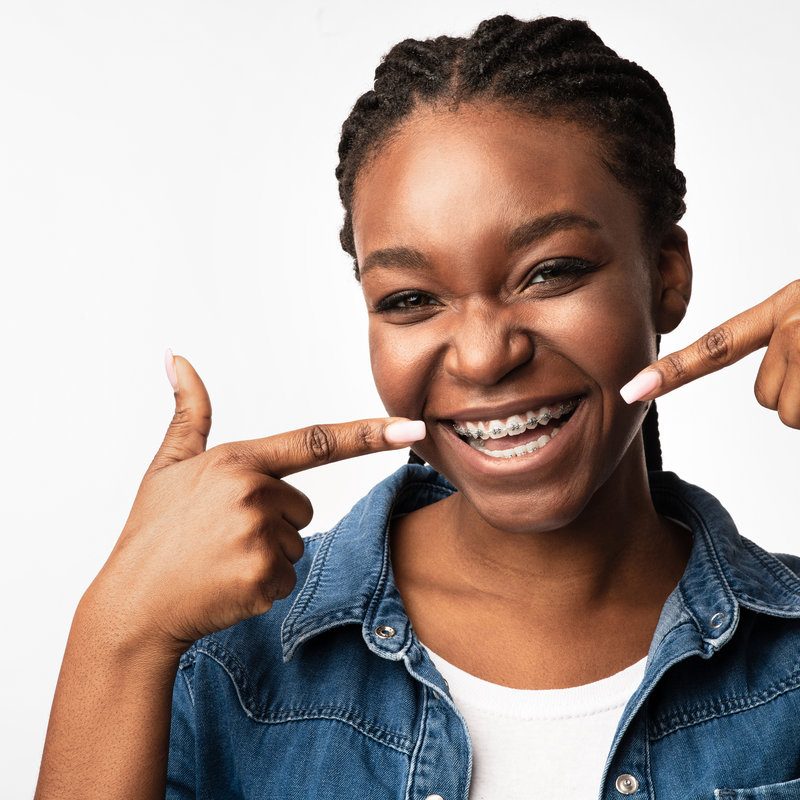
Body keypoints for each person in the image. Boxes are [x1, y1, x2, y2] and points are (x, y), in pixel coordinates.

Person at [35, 13, 800, 800]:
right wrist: (117, 632)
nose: (481, 355)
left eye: (549, 272)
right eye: (409, 298)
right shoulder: (219, 662)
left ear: (667, 274)